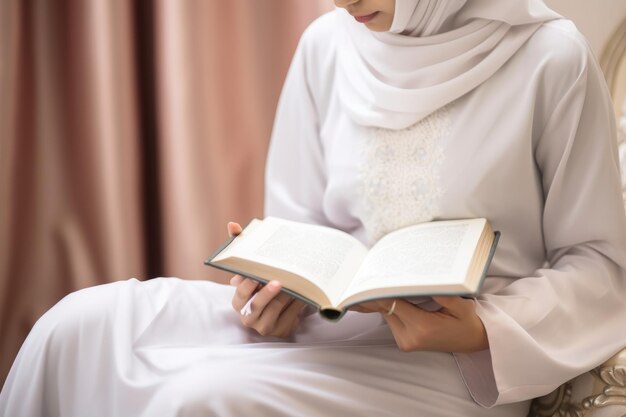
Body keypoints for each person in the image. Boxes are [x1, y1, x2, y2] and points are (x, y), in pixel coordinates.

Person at [2, 0, 626, 416]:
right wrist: (274, 290)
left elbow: (602, 263)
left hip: (462, 365)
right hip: (326, 328)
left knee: (203, 400)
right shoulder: (327, 44)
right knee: (78, 326)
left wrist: (485, 331)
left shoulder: (550, 57)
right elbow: (301, 224)